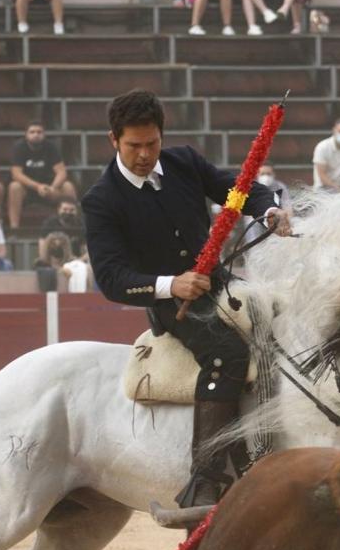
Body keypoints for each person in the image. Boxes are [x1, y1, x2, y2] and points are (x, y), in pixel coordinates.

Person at [81, 89, 291, 508]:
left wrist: (266, 209)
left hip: (222, 284)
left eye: (151, 143)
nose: (144, 154)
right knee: (227, 354)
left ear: (162, 135)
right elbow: (111, 277)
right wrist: (168, 284)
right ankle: (207, 476)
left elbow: (233, 193)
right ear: (113, 140)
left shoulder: (184, 163)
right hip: (171, 305)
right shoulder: (102, 201)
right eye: (133, 146)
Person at [7, 122, 77, 229]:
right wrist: (37, 186)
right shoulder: (19, 147)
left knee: (68, 186)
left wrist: (53, 188)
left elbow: (61, 172)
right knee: (14, 187)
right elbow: (16, 174)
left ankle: (72, 225)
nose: (36, 134)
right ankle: (14, 228)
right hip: (28, 189)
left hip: (49, 188)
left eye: (39, 132)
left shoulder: (51, 147)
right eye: (32, 132)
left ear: (44, 134)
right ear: (26, 134)